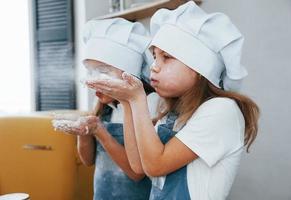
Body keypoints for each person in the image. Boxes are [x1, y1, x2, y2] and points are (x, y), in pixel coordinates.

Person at [86, 2, 260, 200]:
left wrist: (137, 98)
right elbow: (137, 165)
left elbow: (155, 166)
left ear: (200, 66)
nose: (154, 66)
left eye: (166, 57)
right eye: (154, 57)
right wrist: (127, 101)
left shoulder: (221, 110)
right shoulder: (172, 113)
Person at [52, 18, 158, 200]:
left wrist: (100, 132)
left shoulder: (149, 105)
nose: (93, 80)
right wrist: (84, 132)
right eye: (90, 71)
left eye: (103, 71)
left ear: (129, 73)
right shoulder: (104, 106)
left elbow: (137, 173)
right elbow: (88, 160)